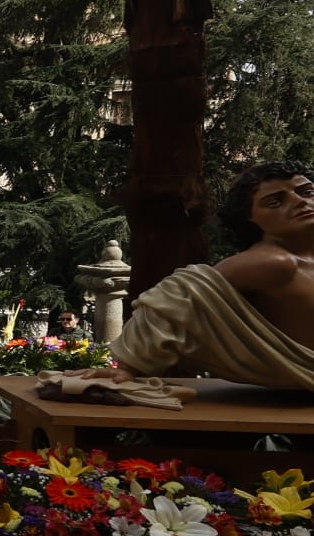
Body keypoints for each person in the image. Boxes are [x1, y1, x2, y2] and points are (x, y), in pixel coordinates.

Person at [104, 160, 314, 388]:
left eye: (307, 192)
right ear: (251, 218)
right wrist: (127, 367)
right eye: (274, 202)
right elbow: (183, 292)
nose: (300, 202)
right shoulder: (273, 263)